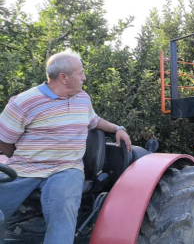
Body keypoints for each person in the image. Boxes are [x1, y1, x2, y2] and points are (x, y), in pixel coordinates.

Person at [0, 49, 132, 244]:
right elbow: (4, 140)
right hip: (24, 168)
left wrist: (117, 128)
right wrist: (24, 159)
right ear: (63, 77)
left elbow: (93, 121)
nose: (84, 77)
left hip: (66, 168)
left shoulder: (82, 98)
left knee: (63, 208)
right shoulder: (23, 102)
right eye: (80, 73)